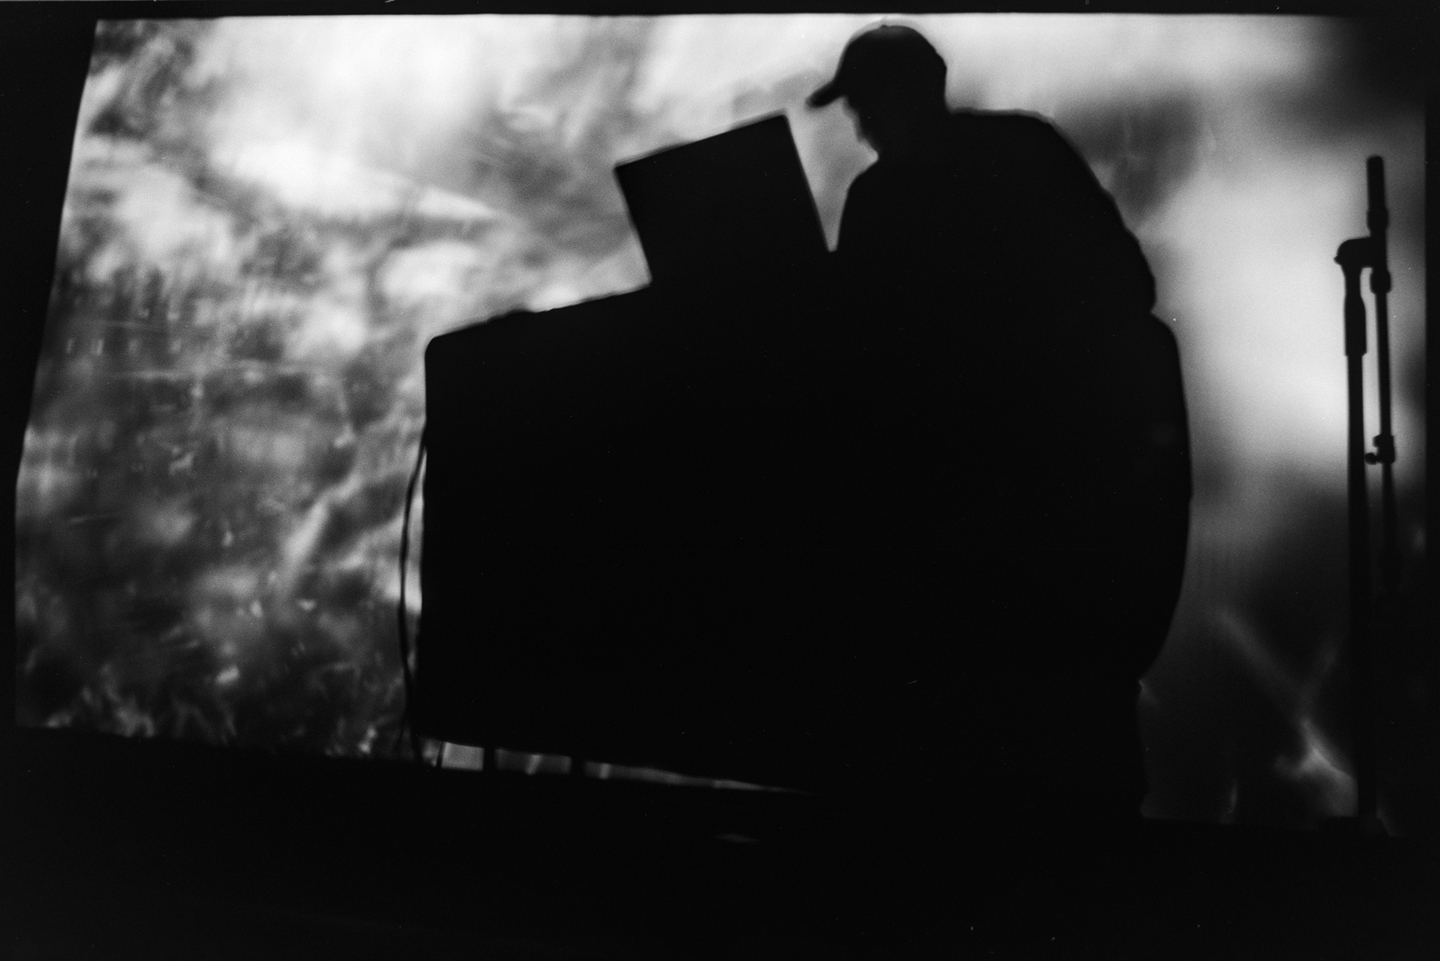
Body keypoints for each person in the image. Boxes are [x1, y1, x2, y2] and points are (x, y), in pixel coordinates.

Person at [805, 23, 1188, 828]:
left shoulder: (1001, 163)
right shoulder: (957, 175)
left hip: (1034, 515)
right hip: (999, 522)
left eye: (868, 102)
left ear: (919, 91)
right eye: (856, 108)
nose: (862, 124)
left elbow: (1123, 289)